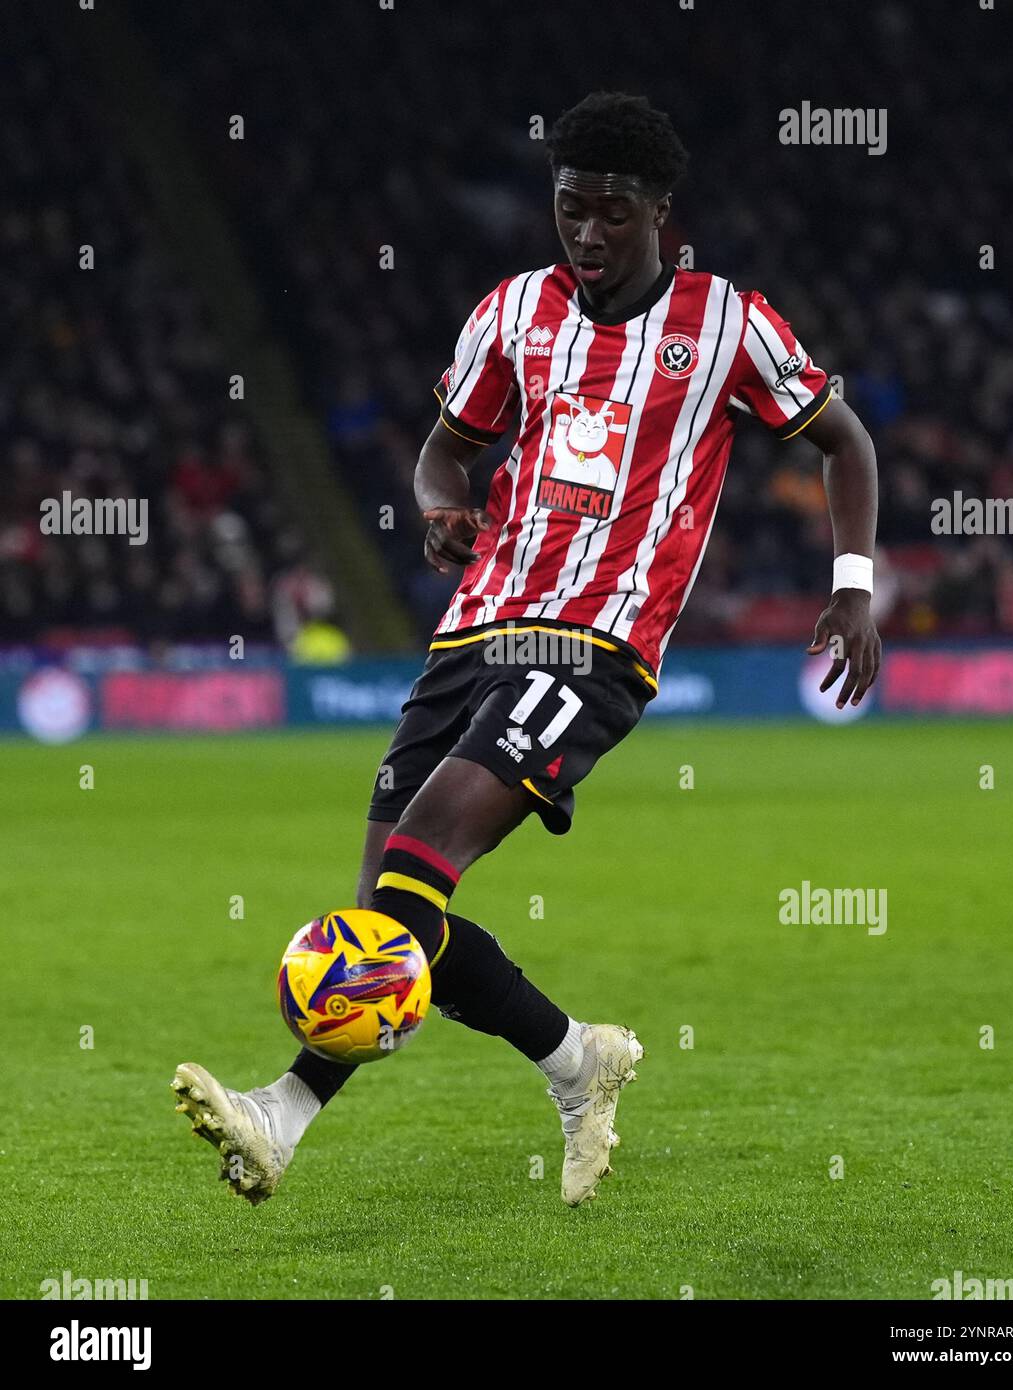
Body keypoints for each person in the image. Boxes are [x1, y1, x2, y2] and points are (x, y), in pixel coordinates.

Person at [173, 91, 881, 1209]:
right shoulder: (511, 313)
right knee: (396, 918)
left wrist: (852, 586)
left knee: (413, 872)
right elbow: (441, 453)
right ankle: (576, 1062)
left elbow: (843, 438)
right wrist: (439, 507)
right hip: (473, 631)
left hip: (594, 644)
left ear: (659, 211)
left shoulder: (727, 324)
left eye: (610, 212)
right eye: (568, 210)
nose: (587, 234)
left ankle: (281, 1114)